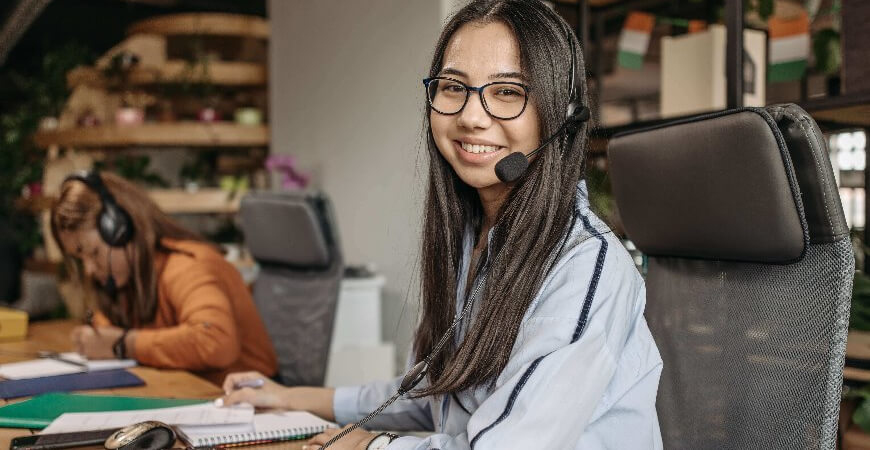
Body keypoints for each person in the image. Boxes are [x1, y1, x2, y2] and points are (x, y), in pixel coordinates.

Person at [221, 0, 663, 448]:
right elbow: (438, 393)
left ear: (561, 116)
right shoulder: (473, 237)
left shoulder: (585, 266)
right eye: (453, 87)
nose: (471, 116)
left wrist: (370, 446)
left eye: (507, 92)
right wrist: (297, 399)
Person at [51, 171, 277, 386]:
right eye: (80, 259)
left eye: (94, 253)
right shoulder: (128, 280)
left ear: (120, 230)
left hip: (252, 404)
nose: (89, 269)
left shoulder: (187, 266)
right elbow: (109, 332)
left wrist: (122, 344)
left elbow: (216, 342)